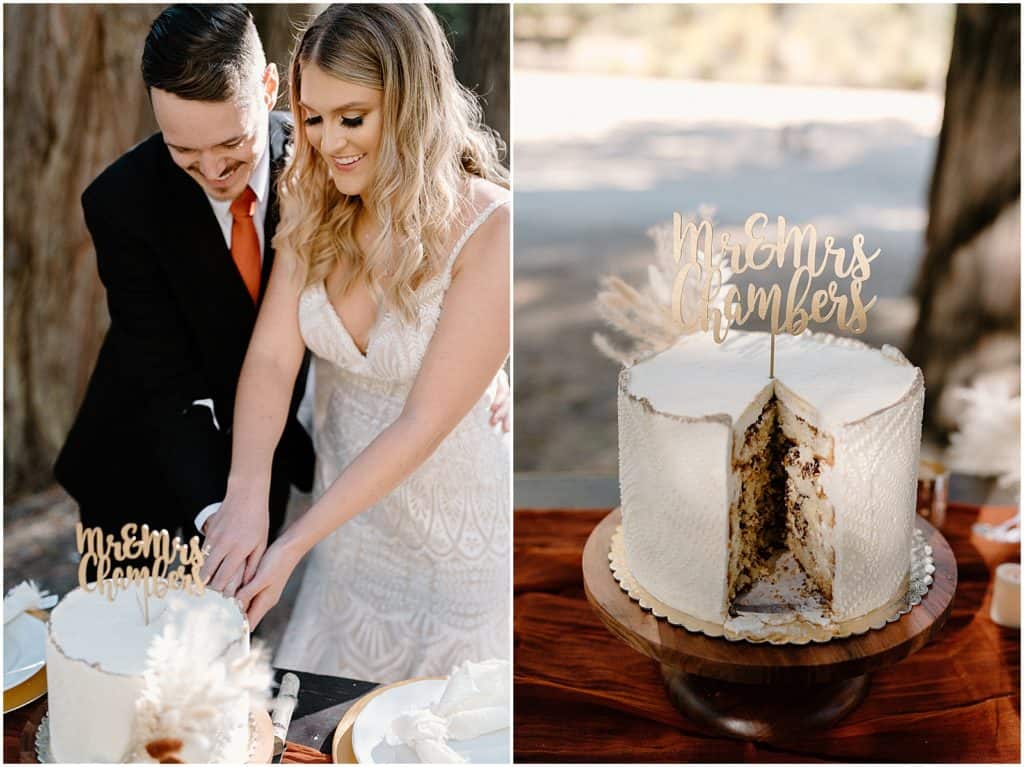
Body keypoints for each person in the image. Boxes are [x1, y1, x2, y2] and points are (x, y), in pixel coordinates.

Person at [54, 4, 510, 555]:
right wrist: (221, 508)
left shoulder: (322, 159)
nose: (214, 171)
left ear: (269, 87)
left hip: (271, 459)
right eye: (184, 152)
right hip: (141, 456)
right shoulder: (120, 202)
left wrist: (480, 366)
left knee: (241, 630)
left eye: (230, 144)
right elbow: (165, 378)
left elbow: (441, 258)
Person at [203, 4, 511, 681]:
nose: (328, 141)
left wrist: (289, 546)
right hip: (349, 530)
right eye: (312, 118)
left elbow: (423, 421)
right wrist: (248, 490)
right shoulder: (313, 197)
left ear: (408, 105)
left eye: (353, 118)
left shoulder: (490, 230)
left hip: (454, 534)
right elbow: (274, 355)